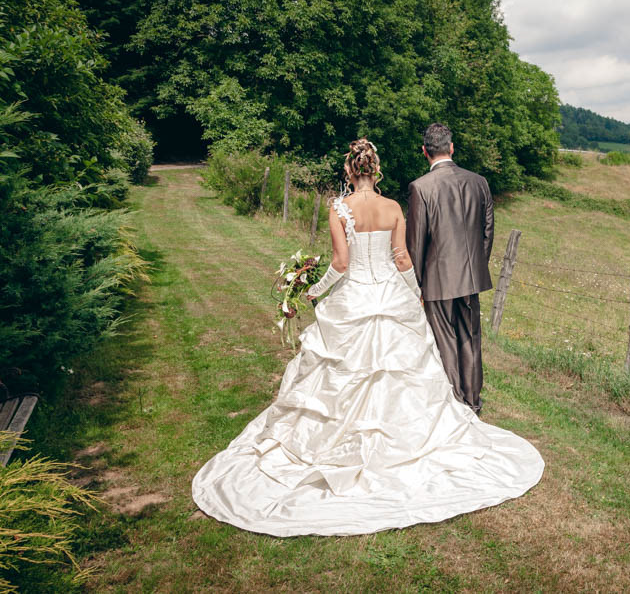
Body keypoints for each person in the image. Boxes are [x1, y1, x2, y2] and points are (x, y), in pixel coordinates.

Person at [191, 139, 543, 537]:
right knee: (403, 369)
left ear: (349, 171)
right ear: (376, 172)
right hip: (390, 293)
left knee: (339, 372)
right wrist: (414, 291)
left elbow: (341, 262)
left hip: (355, 296)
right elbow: (403, 258)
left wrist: (316, 290)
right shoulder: (393, 207)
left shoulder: (339, 208)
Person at [406, 123, 493, 414]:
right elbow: (487, 231)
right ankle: (473, 401)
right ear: (451, 148)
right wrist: (476, 268)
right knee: (471, 338)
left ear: (424, 152)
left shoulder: (421, 188)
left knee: (445, 339)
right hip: (470, 277)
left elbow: (416, 243)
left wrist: (415, 285)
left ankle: (454, 402)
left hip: (437, 280)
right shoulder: (479, 182)